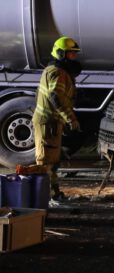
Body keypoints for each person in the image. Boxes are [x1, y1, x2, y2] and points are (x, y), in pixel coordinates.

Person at [33, 36, 82, 200]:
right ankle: (45, 197)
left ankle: (54, 194)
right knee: (46, 162)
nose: (74, 57)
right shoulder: (57, 72)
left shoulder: (57, 70)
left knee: (52, 162)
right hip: (48, 123)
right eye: (71, 53)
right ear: (61, 54)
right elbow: (56, 97)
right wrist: (70, 119)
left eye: (75, 53)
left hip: (51, 122)